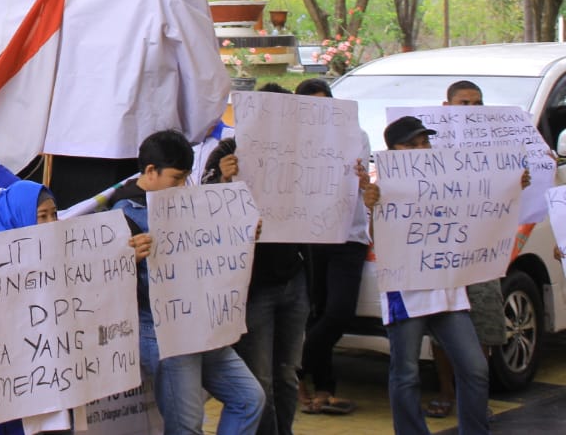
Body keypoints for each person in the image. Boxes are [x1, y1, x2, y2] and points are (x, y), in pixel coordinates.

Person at [0, 181, 154, 435]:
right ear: (18, 217)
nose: (50, 223)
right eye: (41, 216)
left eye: (54, 214)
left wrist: (124, 259)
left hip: (62, 383)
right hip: (19, 390)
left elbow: (95, 288)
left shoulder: (69, 257)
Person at [111, 129, 265, 435]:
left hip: (204, 326)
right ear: (151, 171)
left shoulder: (192, 202)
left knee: (249, 398)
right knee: (187, 424)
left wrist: (243, 236)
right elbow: (100, 283)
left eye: (185, 178)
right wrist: (128, 260)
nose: (182, 185)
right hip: (163, 332)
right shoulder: (122, 212)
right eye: (176, 178)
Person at [367, 116, 491, 435]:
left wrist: (511, 185)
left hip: (447, 289)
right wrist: (371, 208)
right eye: (413, 144)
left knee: (475, 368)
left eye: (425, 143)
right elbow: (374, 239)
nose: (422, 149)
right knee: (406, 373)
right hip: (406, 293)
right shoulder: (379, 185)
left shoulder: (446, 179)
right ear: (394, 150)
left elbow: (479, 207)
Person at [203, 134, 308, 435]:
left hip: (292, 277)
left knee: (287, 374)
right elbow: (201, 210)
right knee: (260, 379)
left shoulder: (300, 150)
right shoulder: (225, 153)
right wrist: (223, 180)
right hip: (253, 288)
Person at [426, 80, 511, 420]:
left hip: (482, 251)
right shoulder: (427, 148)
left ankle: (475, 398)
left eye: (477, 104)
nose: (471, 111)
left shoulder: (495, 148)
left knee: (486, 326)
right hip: (443, 252)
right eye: (464, 104)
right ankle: (448, 393)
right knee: (443, 327)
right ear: (447, 108)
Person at [294, 77, 369, 416]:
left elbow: (360, 180)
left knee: (337, 313)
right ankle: (323, 388)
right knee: (314, 312)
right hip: (307, 237)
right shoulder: (289, 142)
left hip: (347, 236)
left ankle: (293, 368)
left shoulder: (356, 137)